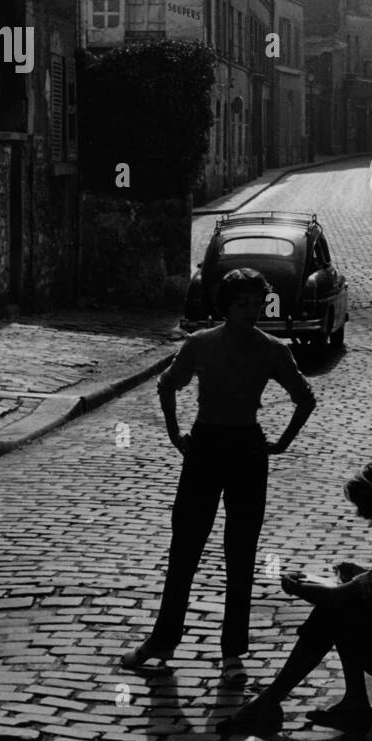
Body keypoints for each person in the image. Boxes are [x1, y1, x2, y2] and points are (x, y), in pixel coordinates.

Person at [121, 268, 317, 683]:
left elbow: (305, 398)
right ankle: (163, 639)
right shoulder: (200, 344)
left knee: (241, 553)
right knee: (185, 548)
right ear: (225, 306)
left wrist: (280, 444)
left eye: (258, 303)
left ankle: (232, 652)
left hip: (248, 450)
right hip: (206, 447)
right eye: (242, 303)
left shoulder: (273, 350)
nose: (252, 311)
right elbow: (167, 384)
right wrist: (175, 434)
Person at [217, 462, 372, 739]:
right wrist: (361, 576)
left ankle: (273, 701)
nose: (362, 516)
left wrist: (298, 587)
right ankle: (335, 702)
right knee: (346, 608)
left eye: (365, 509)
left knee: (337, 608)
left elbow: (341, 595)